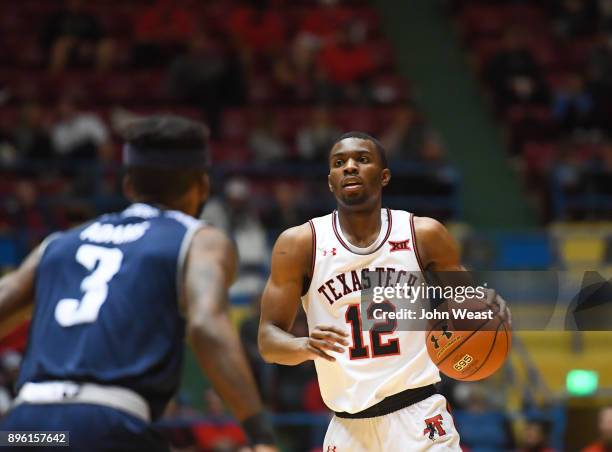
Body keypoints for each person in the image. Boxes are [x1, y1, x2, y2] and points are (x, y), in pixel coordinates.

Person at [0, 115, 276, 452]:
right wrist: (259, 432)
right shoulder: (197, 239)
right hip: (107, 426)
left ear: (128, 186)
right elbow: (206, 326)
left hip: (23, 428)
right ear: (202, 186)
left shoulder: (58, 243)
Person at [258, 131, 510, 451]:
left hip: (418, 415)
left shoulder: (424, 234)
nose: (349, 167)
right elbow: (268, 340)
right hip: (348, 427)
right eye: (339, 163)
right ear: (330, 181)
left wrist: (490, 311)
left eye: (362, 160)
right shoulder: (299, 244)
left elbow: (468, 311)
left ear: (384, 176)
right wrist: (304, 346)